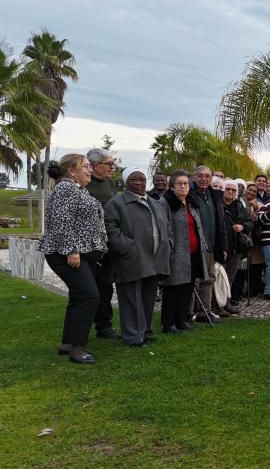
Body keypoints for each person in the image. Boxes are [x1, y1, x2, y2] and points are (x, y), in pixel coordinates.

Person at [40, 154, 109, 364]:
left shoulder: (77, 189)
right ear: (71, 171)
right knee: (89, 297)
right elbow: (62, 221)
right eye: (86, 167)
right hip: (66, 253)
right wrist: (71, 250)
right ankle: (78, 349)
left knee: (79, 297)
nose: (90, 170)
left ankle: (68, 343)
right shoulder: (66, 189)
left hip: (78, 253)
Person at [103, 167, 172, 346]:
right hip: (131, 259)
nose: (139, 183)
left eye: (142, 179)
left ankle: (145, 331)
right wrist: (129, 248)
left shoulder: (155, 203)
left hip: (155, 259)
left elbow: (167, 227)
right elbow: (110, 229)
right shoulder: (116, 203)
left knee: (148, 299)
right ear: (126, 182)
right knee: (131, 299)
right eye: (133, 179)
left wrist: (168, 244)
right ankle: (133, 336)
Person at [158, 170, 210, 334]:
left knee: (187, 287)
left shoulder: (191, 202)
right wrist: (169, 250)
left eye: (186, 183)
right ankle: (168, 323)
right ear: (171, 186)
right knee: (173, 288)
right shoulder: (165, 203)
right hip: (176, 253)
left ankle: (182, 320)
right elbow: (163, 229)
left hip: (193, 253)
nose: (183, 186)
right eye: (179, 184)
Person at [84, 147, 120, 339]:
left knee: (106, 285)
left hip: (108, 243)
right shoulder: (84, 184)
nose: (112, 168)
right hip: (88, 245)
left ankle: (104, 325)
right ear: (95, 165)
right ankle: (81, 327)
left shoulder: (110, 183)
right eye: (109, 164)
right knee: (88, 289)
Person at [190, 165, 228, 320]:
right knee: (194, 280)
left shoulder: (213, 195)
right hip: (195, 245)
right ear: (194, 177)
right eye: (200, 176)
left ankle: (204, 311)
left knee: (209, 278)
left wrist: (223, 246)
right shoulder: (190, 194)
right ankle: (188, 312)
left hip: (211, 245)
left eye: (207, 176)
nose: (204, 179)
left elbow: (221, 222)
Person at [220, 180, 253, 314]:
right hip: (221, 246)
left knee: (230, 278)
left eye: (233, 190)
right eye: (228, 189)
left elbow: (250, 223)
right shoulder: (217, 204)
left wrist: (242, 226)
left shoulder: (239, 206)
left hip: (236, 246)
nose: (230, 192)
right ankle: (216, 305)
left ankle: (226, 304)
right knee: (218, 278)